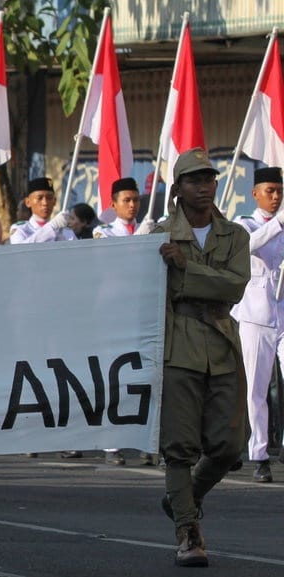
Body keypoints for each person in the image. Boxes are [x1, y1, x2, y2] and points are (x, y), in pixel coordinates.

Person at [149, 148, 249, 567]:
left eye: (209, 179)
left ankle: (184, 498)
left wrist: (187, 270)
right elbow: (155, 295)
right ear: (178, 189)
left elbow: (235, 287)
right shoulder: (159, 234)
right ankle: (188, 532)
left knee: (229, 446)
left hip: (223, 343)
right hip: (179, 345)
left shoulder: (235, 235)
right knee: (179, 447)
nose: (204, 187)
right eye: (194, 180)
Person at [91, 177, 151, 466]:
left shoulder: (147, 228)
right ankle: (111, 444)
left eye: (136, 200)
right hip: (112, 314)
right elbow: (113, 261)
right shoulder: (104, 232)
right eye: (126, 200)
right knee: (112, 377)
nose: (132, 205)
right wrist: (143, 241)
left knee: (144, 378)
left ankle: (145, 440)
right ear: (113, 204)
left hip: (142, 312)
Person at [229, 166, 284, 484]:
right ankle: (260, 454)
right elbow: (246, 247)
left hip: (283, 313)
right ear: (255, 194)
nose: (276, 197)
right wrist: (277, 224)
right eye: (270, 191)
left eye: (279, 192)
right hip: (255, 317)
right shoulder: (243, 224)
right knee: (257, 389)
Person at [9, 178, 76, 243]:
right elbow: (21, 250)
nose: (45, 203)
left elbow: (78, 252)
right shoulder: (21, 229)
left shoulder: (64, 230)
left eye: (49, 198)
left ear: (54, 201)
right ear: (28, 202)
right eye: (39, 198)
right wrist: (52, 227)